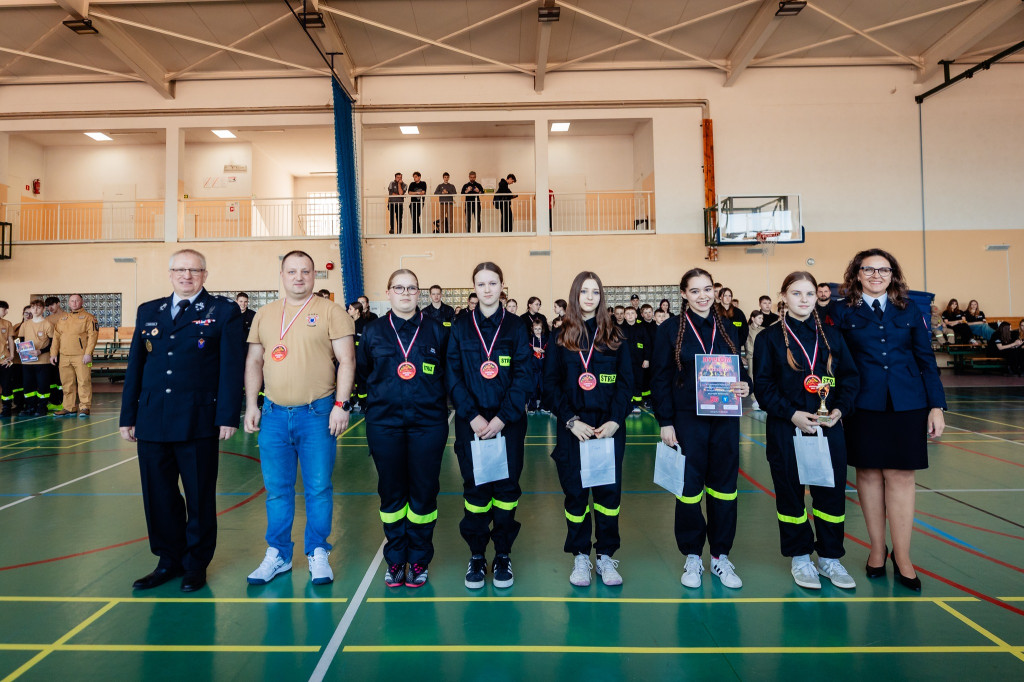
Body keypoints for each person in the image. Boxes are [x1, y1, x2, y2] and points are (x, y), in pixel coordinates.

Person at [119, 249, 244, 592]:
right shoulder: (149, 310)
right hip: (152, 418)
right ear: (170, 273)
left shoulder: (223, 311)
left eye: (193, 270)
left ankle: (196, 564)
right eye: (179, 269)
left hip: (199, 419)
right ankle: (168, 560)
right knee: (158, 495)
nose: (186, 276)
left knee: (199, 495)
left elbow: (231, 369)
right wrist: (128, 415)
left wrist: (227, 416)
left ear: (205, 274)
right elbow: (136, 368)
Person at [833, 248, 946, 591]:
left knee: (900, 477)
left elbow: (926, 359)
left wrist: (936, 406)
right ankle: (877, 550)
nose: (877, 275)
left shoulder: (909, 308)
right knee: (867, 474)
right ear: (856, 274)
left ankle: (904, 557)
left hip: (907, 403)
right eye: (869, 270)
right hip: (862, 404)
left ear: (893, 275)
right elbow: (831, 360)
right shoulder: (840, 311)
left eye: (884, 270)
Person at [244, 250, 356, 586]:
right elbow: (254, 362)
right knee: (277, 491)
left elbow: (347, 360)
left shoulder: (331, 312)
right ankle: (277, 554)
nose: (298, 277)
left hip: (317, 414)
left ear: (314, 276)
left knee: (318, 488)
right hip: (274, 415)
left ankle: (317, 551)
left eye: (305, 271)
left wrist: (342, 404)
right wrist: (252, 404)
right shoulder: (264, 314)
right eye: (292, 271)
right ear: (281, 274)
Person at [753, 271, 860, 590]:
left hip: (829, 429)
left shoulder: (833, 336)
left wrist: (840, 409)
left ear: (818, 297)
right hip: (788, 429)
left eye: (809, 294)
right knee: (790, 495)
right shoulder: (768, 338)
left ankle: (830, 558)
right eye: (796, 293)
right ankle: (800, 558)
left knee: (831, 494)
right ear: (783, 296)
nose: (803, 299)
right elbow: (763, 386)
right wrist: (792, 414)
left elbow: (850, 379)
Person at [651, 268, 751, 590]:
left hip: (724, 421)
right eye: (695, 291)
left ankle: (720, 556)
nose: (703, 296)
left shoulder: (727, 329)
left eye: (707, 289)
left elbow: (740, 371)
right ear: (683, 294)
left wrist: (744, 387)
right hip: (686, 422)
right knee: (689, 490)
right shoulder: (668, 330)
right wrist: (665, 421)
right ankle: (693, 555)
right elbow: (660, 379)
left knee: (725, 488)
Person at [358, 269, 448, 587]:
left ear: (419, 293)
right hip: (385, 426)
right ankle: (396, 559)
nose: (406, 293)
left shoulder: (437, 331)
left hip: (428, 425)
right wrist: (375, 408)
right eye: (399, 287)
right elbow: (362, 374)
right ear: (389, 291)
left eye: (412, 288)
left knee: (423, 494)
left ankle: (419, 559)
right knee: (392, 494)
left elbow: (449, 376)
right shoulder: (373, 332)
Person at [446, 261, 531, 589]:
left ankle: (504, 554)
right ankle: (478, 554)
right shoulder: (461, 326)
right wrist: (474, 416)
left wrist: (501, 418)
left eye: (492, 283)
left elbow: (524, 375)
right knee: (476, 490)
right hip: (473, 424)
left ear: (501, 286)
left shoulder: (516, 327)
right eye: (481, 284)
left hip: (507, 423)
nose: (487, 289)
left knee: (507, 490)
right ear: (474, 287)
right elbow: (452, 375)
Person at [544, 271, 632, 587]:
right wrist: (570, 420)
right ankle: (580, 555)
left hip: (608, 429)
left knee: (608, 497)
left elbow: (626, 384)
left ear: (601, 297)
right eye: (584, 291)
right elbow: (550, 385)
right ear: (575, 295)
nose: (590, 297)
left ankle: (606, 556)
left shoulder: (617, 337)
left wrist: (615, 420)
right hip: (574, 430)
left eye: (595, 292)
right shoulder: (559, 336)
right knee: (577, 496)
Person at [49, 293, 98, 417]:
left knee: (84, 382)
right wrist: (53, 353)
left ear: (82, 302)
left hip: (81, 356)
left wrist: (88, 353)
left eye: (77, 300)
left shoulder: (89, 318)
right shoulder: (63, 319)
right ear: (68, 303)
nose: (74, 303)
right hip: (64, 356)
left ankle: (85, 407)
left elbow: (93, 337)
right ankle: (69, 407)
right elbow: (56, 337)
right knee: (66, 383)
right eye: (72, 301)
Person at [17, 299, 54, 417]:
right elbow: (21, 340)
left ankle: (42, 407)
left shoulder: (48, 324)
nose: (35, 310)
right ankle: (30, 407)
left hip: (43, 361)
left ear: (43, 309)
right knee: (28, 385)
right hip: (27, 362)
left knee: (43, 385)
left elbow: (53, 343)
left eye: (38, 307)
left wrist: (40, 351)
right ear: (30, 309)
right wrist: (19, 349)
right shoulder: (25, 324)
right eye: (33, 307)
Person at [621, 306, 649, 412]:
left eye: (632, 313)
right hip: (625, 362)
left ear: (636, 315)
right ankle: (627, 403)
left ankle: (637, 404)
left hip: (639, 361)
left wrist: (646, 359)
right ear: (624, 316)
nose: (630, 316)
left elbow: (647, 344)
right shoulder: (620, 329)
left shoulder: (642, 327)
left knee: (638, 381)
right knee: (626, 381)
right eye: (627, 314)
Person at [43, 296, 65, 410]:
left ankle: (64, 402)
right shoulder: (47, 320)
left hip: (65, 351)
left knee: (62, 378)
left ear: (58, 303)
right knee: (52, 378)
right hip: (52, 352)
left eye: (52, 305)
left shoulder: (67, 317)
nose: (50, 308)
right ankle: (54, 401)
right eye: (48, 306)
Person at [348, 301, 368, 411]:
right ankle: (350, 402)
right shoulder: (347, 323)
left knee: (361, 380)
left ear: (357, 311)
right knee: (349, 380)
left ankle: (363, 403)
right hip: (349, 356)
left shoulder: (364, 324)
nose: (348, 311)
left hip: (360, 358)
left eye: (350, 309)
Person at [0, 301, 16, 417]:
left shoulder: (7, 324)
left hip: (5, 360)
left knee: (6, 385)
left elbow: (11, 340)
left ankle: (6, 408)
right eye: (4, 309)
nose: (6, 312)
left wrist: (12, 355)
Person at [527, 320, 547, 413]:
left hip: (543, 367)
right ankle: (532, 407)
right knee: (533, 387)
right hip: (533, 367)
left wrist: (544, 351)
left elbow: (550, 349)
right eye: (536, 329)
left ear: (542, 329)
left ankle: (544, 406)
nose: (538, 330)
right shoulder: (530, 339)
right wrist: (533, 348)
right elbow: (526, 349)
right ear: (532, 329)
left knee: (544, 388)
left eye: (539, 329)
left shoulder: (546, 339)